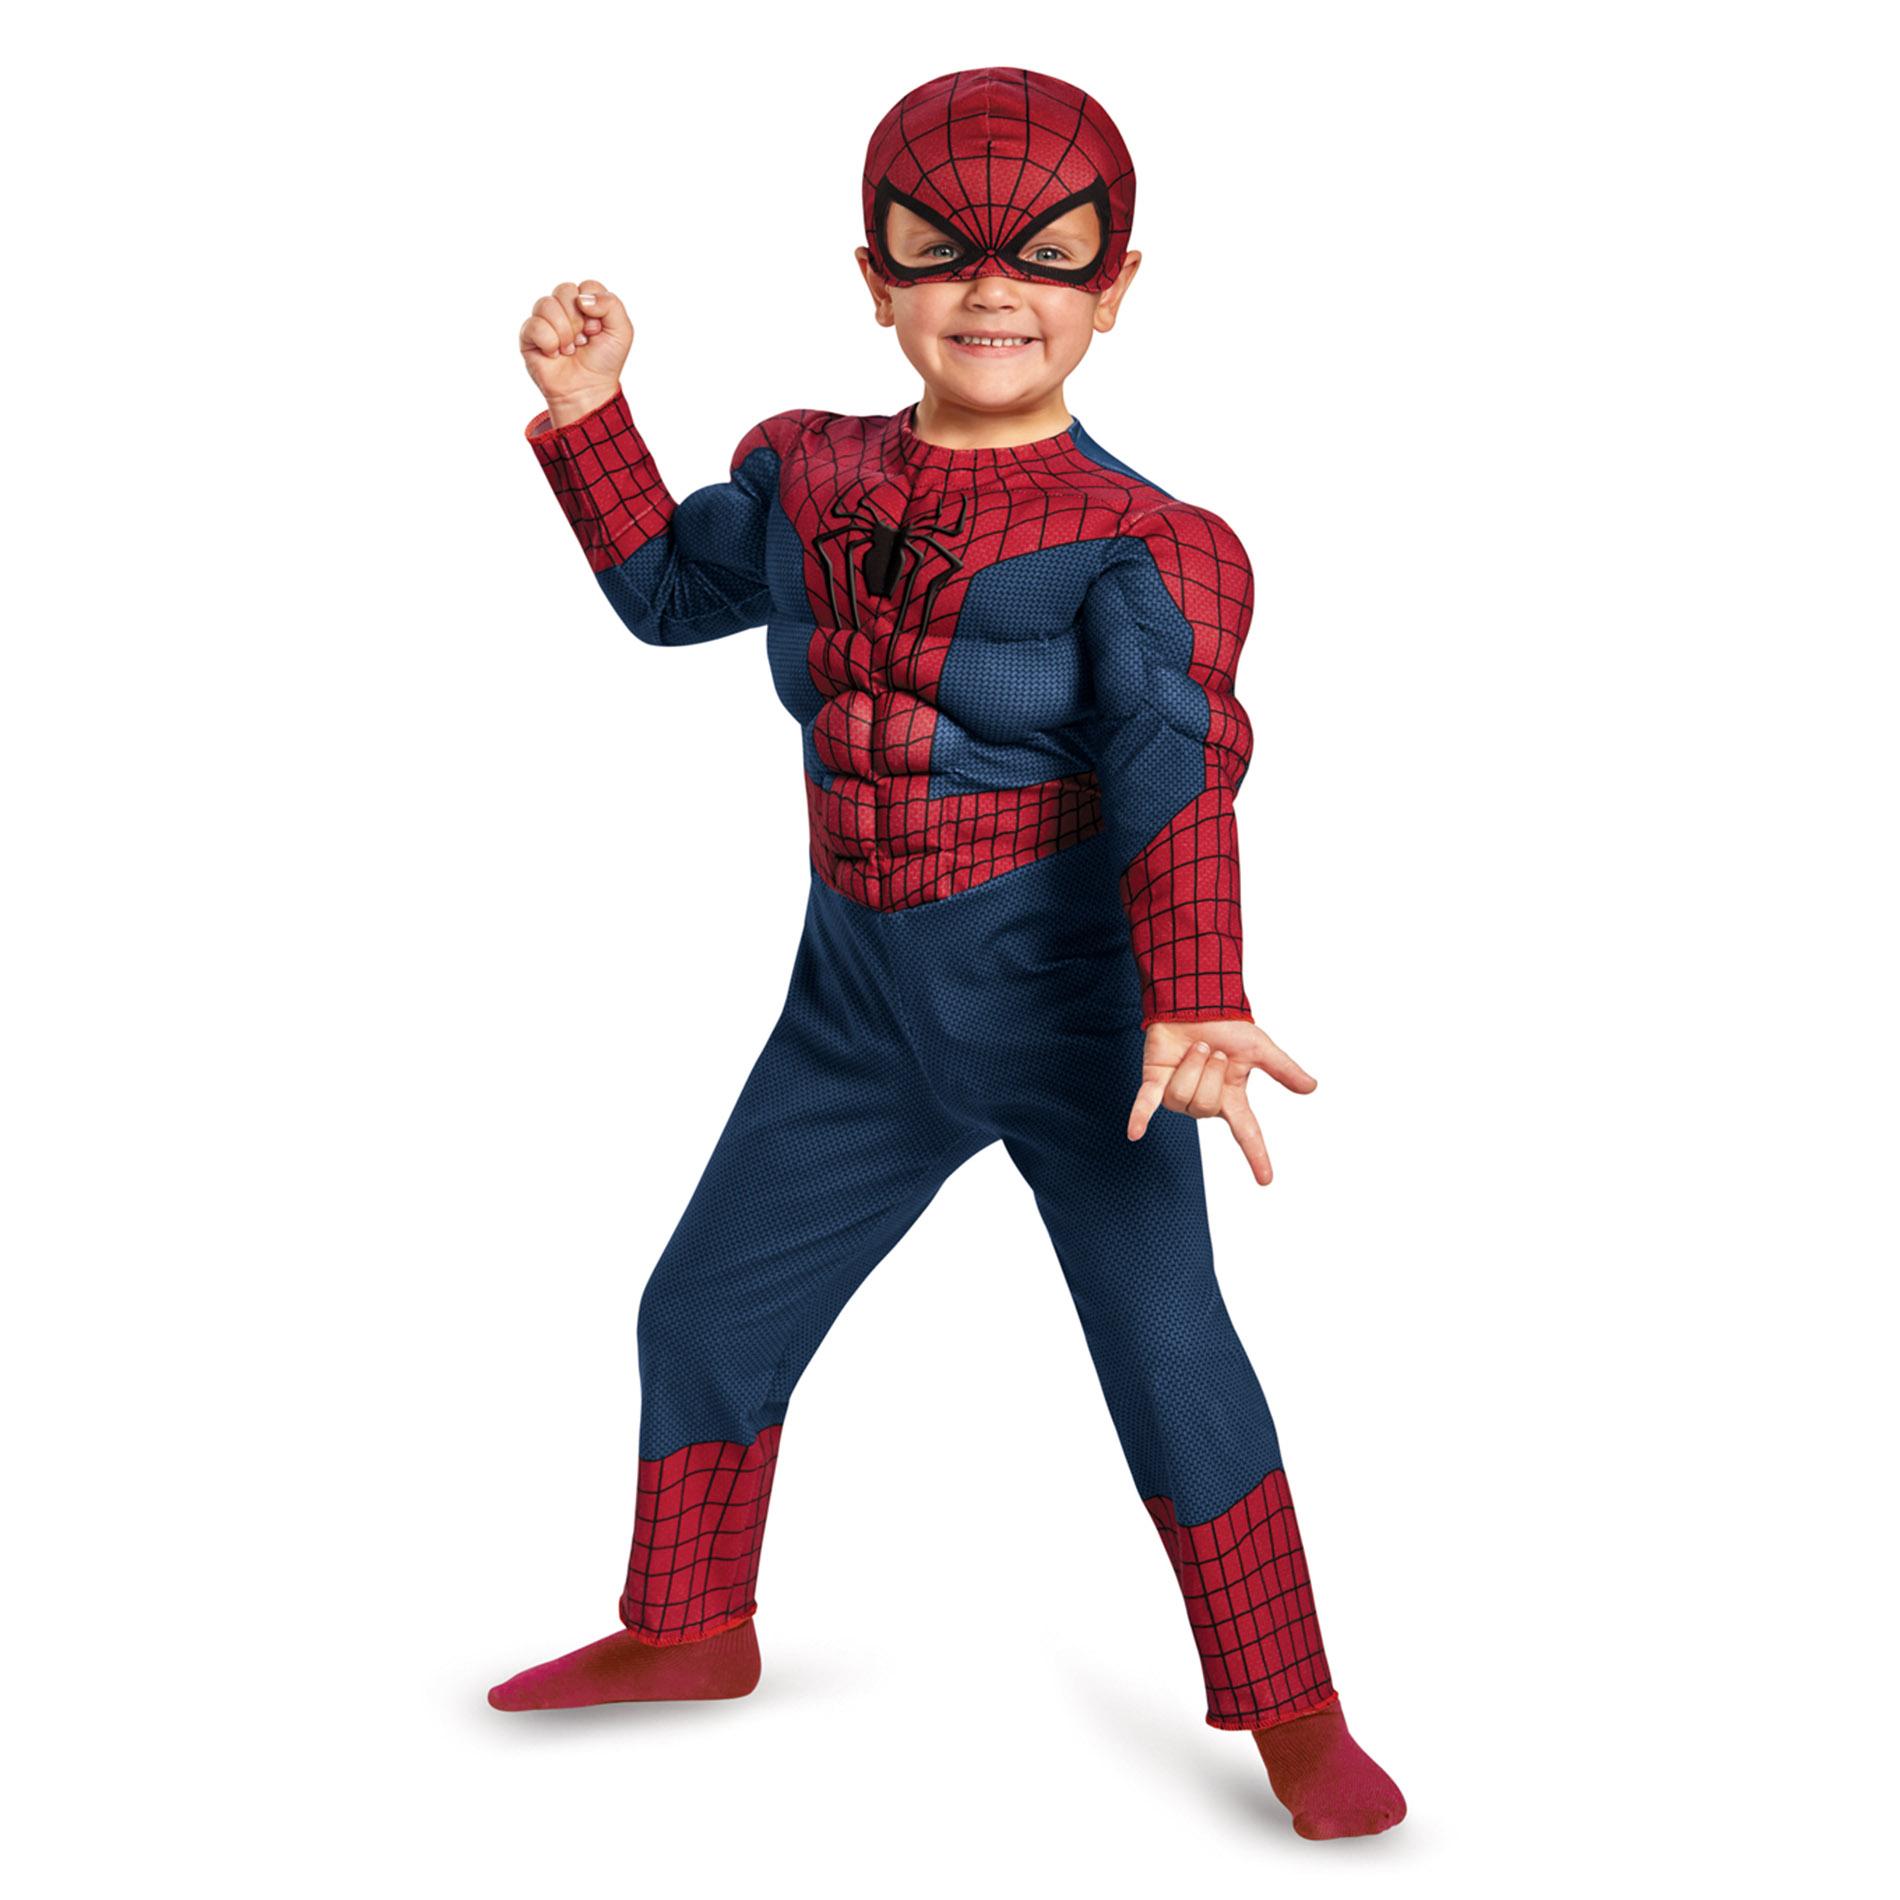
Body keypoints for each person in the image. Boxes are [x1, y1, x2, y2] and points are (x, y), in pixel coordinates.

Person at [489, 65, 1405, 1841]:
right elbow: (670, 598)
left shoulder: (1151, 545)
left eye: (1045, 256)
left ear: (1113, 288)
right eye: (944, 249)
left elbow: (1178, 759)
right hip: (855, 1003)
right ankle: (688, 1628)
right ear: (876, 279)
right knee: (702, 1308)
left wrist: (1197, 991)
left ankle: (1296, 1715)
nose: (994, 289)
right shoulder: (808, 471)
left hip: (1075, 1017)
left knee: (1169, 1356)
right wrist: (592, 416)